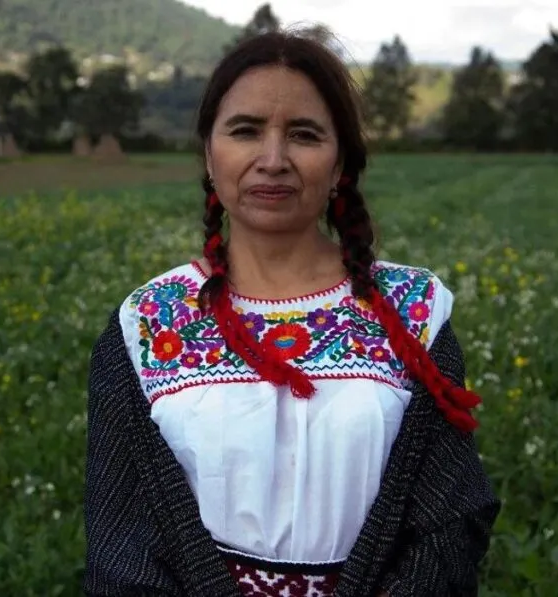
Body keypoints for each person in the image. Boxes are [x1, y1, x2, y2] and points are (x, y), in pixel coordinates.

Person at [83, 29, 501, 597]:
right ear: (209, 154)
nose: (273, 160)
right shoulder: (148, 323)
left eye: (303, 135)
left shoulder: (414, 313)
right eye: (245, 131)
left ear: (340, 166)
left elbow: (449, 523)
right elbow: (121, 544)